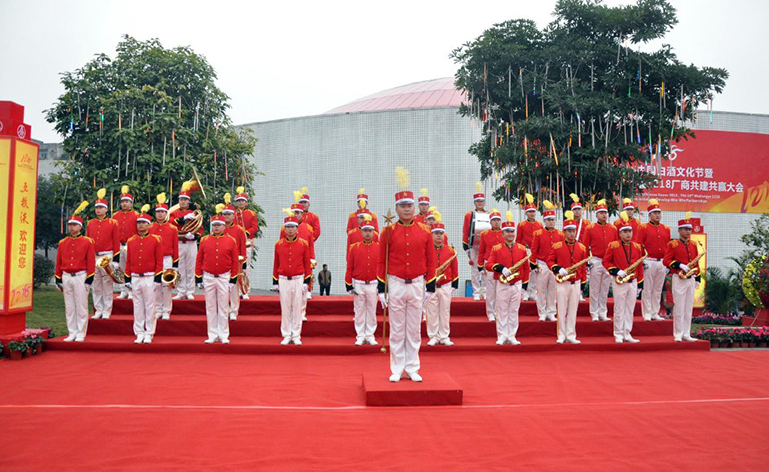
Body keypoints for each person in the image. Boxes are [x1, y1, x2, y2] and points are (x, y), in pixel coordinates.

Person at [378, 170, 437, 382]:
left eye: (409, 205)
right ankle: (396, 367)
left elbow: (431, 259)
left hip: (417, 283)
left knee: (413, 328)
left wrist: (431, 285)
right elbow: (381, 260)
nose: (406, 209)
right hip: (395, 283)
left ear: (414, 208)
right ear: (396, 208)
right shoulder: (388, 231)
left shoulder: (425, 231)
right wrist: (380, 288)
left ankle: (412, 367)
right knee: (397, 327)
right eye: (402, 206)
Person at [486, 212, 531, 345]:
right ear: (503, 234)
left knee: (514, 311)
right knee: (501, 310)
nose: (511, 234)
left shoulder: (522, 249)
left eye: (512, 232)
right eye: (508, 232)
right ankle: (501, 335)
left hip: (516, 284)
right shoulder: (496, 248)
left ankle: (511, 335)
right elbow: (488, 264)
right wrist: (500, 268)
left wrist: (524, 286)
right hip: (502, 284)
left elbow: (526, 268)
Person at [195, 214, 240, 344]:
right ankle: (212, 334)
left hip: (224, 276)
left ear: (224, 226)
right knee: (210, 306)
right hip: (208, 276)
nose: (216, 227)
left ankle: (224, 334)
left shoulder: (231, 241)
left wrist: (233, 280)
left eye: (219, 225)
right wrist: (198, 278)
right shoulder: (204, 240)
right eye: (214, 225)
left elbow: (234, 261)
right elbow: (199, 259)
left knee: (223, 306)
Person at [55, 201, 95, 342]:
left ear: (80, 227)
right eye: (70, 225)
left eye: (75, 225)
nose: (72, 227)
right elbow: (59, 261)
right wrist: (58, 278)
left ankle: (81, 332)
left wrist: (89, 280)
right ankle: (71, 331)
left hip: (80, 276)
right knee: (70, 306)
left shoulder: (87, 242)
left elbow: (91, 262)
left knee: (81, 306)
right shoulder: (62, 243)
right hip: (67, 276)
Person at [603, 211, 645, 343]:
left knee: (630, 308)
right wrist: (616, 271)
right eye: (625, 232)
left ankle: (627, 332)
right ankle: (618, 333)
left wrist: (640, 284)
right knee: (619, 307)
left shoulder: (637, 247)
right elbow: (606, 262)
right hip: (620, 280)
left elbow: (639, 266)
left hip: (633, 281)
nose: (628, 234)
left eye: (630, 232)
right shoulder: (613, 245)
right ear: (620, 233)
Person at [124, 205, 163, 344]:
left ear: (149, 225)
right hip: (135, 277)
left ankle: (149, 332)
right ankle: (139, 332)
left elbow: (159, 260)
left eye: (143, 223)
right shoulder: (131, 240)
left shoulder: (156, 239)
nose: (141, 225)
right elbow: (129, 261)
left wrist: (157, 279)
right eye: (139, 223)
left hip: (149, 276)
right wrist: (127, 278)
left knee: (150, 305)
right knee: (137, 305)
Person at [548, 211, 588, 344]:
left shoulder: (582, 247)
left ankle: (571, 335)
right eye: (569, 231)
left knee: (573, 309)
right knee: (561, 309)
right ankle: (561, 335)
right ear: (564, 232)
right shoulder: (557, 246)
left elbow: (583, 267)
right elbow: (550, 261)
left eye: (573, 231)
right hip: (562, 282)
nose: (571, 233)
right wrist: (558, 269)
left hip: (575, 282)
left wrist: (583, 282)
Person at [273, 213, 313, 345]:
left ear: (297, 229)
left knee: (297, 307)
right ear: (284, 229)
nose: (290, 230)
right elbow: (276, 263)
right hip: (283, 278)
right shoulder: (278, 244)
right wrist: (275, 281)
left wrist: (307, 282)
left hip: (298, 278)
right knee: (285, 307)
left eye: (293, 227)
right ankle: (286, 334)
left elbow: (307, 263)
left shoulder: (303, 244)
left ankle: (296, 334)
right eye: (288, 227)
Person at [663, 212, 701, 342]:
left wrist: (698, 278)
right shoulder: (672, 244)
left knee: (688, 306)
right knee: (679, 306)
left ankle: (686, 333)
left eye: (689, 229)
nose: (688, 232)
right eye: (685, 229)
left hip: (690, 278)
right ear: (679, 230)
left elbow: (696, 262)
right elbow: (666, 261)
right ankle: (678, 333)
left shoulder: (693, 244)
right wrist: (680, 265)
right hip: (678, 277)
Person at [345, 218, 380, 345]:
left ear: (374, 232)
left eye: (370, 231)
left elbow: (382, 267)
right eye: (365, 230)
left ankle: (370, 335)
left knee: (371, 310)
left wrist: (382, 285)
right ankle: (360, 335)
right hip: (359, 283)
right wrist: (348, 284)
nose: (368, 233)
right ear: (361, 232)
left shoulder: (379, 248)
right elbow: (350, 267)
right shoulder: (354, 248)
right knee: (359, 310)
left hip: (373, 283)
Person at [583, 199, 618, 321]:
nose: (604, 215)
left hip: (608, 263)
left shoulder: (613, 228)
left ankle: (603, 312)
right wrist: (588, 261)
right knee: (594, 288)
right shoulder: (590, 228)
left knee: (605, 288)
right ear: (596, 214)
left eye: (605, 212)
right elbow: (584, 245)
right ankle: (594, 313)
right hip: (596, 261)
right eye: (601, 212)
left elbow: (616, 246)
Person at [87, 188, 120, 320]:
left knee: (107, 284)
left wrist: (116, 260)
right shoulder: (90, 223)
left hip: (107, 255)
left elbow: (116, 241)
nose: (98, 210)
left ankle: (107, 310)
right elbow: (88, 241)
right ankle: (98, 309)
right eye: (97, 208)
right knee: (96, 284)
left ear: (106, 209)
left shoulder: (113, 223)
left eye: (101, 208)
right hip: (94, 256)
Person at [425, 218, 458, 346]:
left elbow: (454, 268)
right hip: (431, 285)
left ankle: (444, 336)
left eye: (440, 233)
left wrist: (454, 284)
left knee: (444, 311)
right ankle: (433, 336)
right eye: (436, 233)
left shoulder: (450, 250)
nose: (439, 236)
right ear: (431, 234)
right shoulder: (426, 250)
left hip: (445, 285)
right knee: (431, 311)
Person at [635, 199, 670, 321]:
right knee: (648, 288)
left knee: (658, 288)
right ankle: (647, 312)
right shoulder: (643, 228)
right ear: (649, 215)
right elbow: (637, 246)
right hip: (649, 261)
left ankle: (655, 312)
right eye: (655, 213)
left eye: (659, 213)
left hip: (661, 262)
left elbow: (668, 247)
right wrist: (642, 261)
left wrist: (667, 263)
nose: (657, 215)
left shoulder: (666, 228)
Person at [280, 204, 317, 316]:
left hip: (303, 261)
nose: (296, 215)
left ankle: (301, 312)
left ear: (302, 214)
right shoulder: (284, 228)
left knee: (302, 289)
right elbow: (281, 246)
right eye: (294, 212)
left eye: (298, 213)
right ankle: (290, 313)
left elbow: (311, 246)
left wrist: (312, 259)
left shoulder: (308, 228)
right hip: (290, 261)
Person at [170, 183, 204, 300]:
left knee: (191, 267)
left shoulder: (195, 212)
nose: (183, 202)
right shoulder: (174, 212)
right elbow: (170, 222)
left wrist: (194, 236)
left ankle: (190, 291)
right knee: (180, 268)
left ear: (188, 201)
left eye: (185, 200)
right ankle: (180, 291)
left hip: (190, 243)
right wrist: (182, 219)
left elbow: (201, 228)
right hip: (178, 242)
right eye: (181, 199)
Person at [530, 200, 563, 321]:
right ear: (544, 220)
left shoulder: (560, 234)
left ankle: (551, 312)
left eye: (552, 219)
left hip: (555, 266)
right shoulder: (538, 233)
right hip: (542, 265)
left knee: (553, 290)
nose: (551, 222)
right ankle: (542, 313)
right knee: (541, 290)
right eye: (548, 219)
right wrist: (533, 265)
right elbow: (534, 250)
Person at [149, 194, 179, 321]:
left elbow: (175, 247)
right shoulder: (150, 227)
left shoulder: (172, 228)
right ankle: (157, 309)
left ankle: (166, 310)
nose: (160, 214)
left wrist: (175, 265)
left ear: (166, 213)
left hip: (167, 259)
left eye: (162, 212)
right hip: (153, 261)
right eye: (158, 212)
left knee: (166, 286)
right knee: (155, 286)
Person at [462, 182, 489, 300]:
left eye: (481, 201)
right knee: (475, 270)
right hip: (474, 246)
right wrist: (466, 247)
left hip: (486, 247)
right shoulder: (469, 215)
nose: (479, 203)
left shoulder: (489, 214)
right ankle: (476, 292)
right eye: (477, 201)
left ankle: (485, 291)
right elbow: (465, 230)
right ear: (474, 203)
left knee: (486, 269)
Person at [222, 198, 248, 321]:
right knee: (222, 290)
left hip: (235, 264)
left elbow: (243, 248)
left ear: (233, 216)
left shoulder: (239, 230)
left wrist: (243, 264)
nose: (226, 216)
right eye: (224, 214)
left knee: (234, 289)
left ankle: (233, 311)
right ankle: (224, 310)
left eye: (229, 214)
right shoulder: (218, 228)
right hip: (221, 263)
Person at [476, 209, 504, 322]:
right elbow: (481, 250)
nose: (496, 222)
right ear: (490, 222)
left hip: (503, 266)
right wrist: (480, 265)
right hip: (489, 264)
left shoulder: (505, 233)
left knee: (501, 290)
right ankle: (491, 313)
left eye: (498, 220)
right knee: (491, 290)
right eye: (494, 220)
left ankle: (499, 312)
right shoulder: (485, 234)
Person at [234, 186, 260, 300]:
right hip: (235, 242)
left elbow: (255, 227)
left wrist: (245, 232)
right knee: (235, 266)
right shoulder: (233, 213)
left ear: (246, 202)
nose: (240, 203)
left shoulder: (252, 213)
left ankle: (245, 290)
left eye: (242, 201)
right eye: (238, 201)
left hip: (247, 240)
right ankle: (235, 289)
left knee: (246, 266)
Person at [112, 185, 138, 299]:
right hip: (118, 245)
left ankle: (132, 291)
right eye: (123, 202)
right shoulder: (115, 216)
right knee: (120, 268)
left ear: (131, 203)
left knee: (131, 268)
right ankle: (123, 290)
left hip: (131, 245)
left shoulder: (136, 215)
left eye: (127, 202)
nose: (125, 204)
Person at [516, 194, 542, 301]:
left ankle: (533, 291)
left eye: (533, 211)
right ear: (526, 213)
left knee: (535, 272)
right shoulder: (521, 225)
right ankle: (524, 292)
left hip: (536, 252)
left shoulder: (539, 224)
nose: (532, 213)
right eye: (530, 211)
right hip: (525, 251)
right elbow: (518, 239)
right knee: (526, 271)